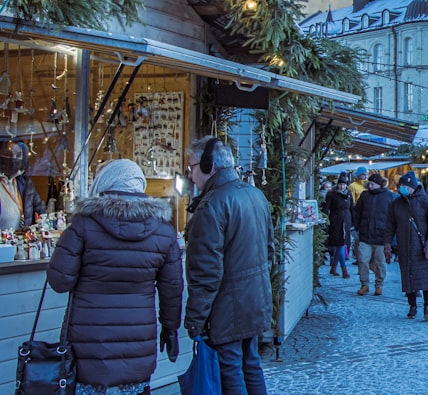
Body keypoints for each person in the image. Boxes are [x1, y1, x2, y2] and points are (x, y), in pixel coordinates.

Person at [46, 159, 182, 395]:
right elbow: (172, 289)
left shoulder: (83, 224)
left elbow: (60, 281)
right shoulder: (163, 230)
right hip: (138, 344)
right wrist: (170, 328)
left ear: (105, 184)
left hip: (88, 347)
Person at [184, 136, 273, 395]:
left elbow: (206, 274)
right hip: (254, 301)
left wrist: (195, 320)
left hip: (228, 308)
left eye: (191, 168)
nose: (190, 176)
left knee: (230, 370)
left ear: (209, 165)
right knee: (251, 365)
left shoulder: (211, 206)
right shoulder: (255, 195)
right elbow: (269, 251)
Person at [387, 171, 428, 320]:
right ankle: (412, 306)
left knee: (426, 278)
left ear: (412, 187)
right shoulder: (396, 203)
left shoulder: (424, 201)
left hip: (422, 246)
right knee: (408, 277)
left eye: (404, 185)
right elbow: (390, 225)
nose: (401, 188)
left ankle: (427, 307)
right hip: (404, 246)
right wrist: (387, 244)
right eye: (400, 185)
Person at [352, 172, 393, 296]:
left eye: (372, 184)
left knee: (380, 262)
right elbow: (357, 212)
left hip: (381, 236)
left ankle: (379, 285)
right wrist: (357, 227)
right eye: (369, 184)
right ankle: (364, 284)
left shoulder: (389, 196)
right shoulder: (365, 196)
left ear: (379, 185)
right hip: (365, 235)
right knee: (362, 260)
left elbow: (392, 217)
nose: (370, 186)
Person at [0, 139, 45, 229]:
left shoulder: (25, 182)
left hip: (20, 240)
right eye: (8, 154)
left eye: (18, 155)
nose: (13, 158)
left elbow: (41, 211)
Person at [325, 173, 353, 278]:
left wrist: (353, 222)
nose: (342, 186)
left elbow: (352, 208)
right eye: (340, 184)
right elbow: (327, 208)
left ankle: (333, 268)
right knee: (340, 244)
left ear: (346, 185)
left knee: (340, 245)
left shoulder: (349, 195)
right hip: (335, 222)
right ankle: (344, 269)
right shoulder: (332, 194)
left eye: (344, 184)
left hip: (346, 221)